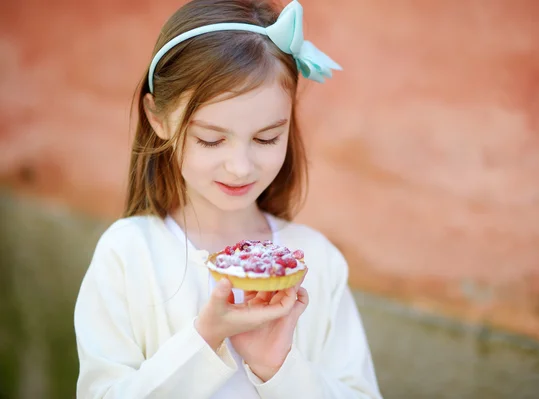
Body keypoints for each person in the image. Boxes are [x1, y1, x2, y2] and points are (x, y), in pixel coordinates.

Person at [74, 0, 382, 397]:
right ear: (158, 118)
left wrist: (278, 368)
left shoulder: (316, 261)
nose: (240, 166)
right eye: (211, 139)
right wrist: (205, 338)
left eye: (267, 138)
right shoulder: (128, 254)